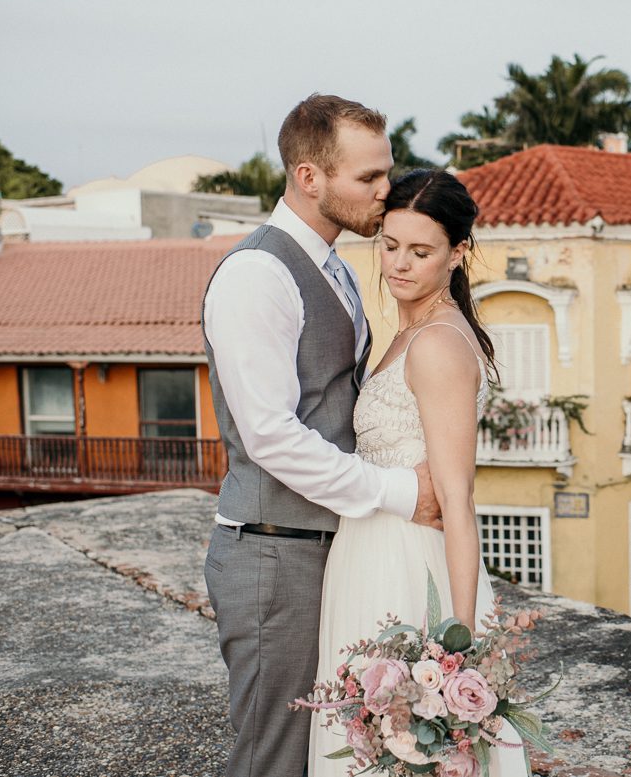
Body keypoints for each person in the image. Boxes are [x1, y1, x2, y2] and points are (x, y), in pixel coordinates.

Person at [202, 94, 442, 777]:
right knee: (268, 758)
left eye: (385, 172)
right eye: (368, 177)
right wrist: (400, 492)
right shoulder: (258, 274)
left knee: (323, 753)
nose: (385, 190)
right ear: (311, 178)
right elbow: (273, 437)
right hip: (274, 558)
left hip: (321, 552)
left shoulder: (332, 262)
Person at [309, 169, 527, 776]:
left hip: (405, 568)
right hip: (370, 550)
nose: (399, 264)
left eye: (422, 251)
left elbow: (457, 502)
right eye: (390, 244)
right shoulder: (409, 330)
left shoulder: (435, 343)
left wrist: (459, 646)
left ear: (458, 254)